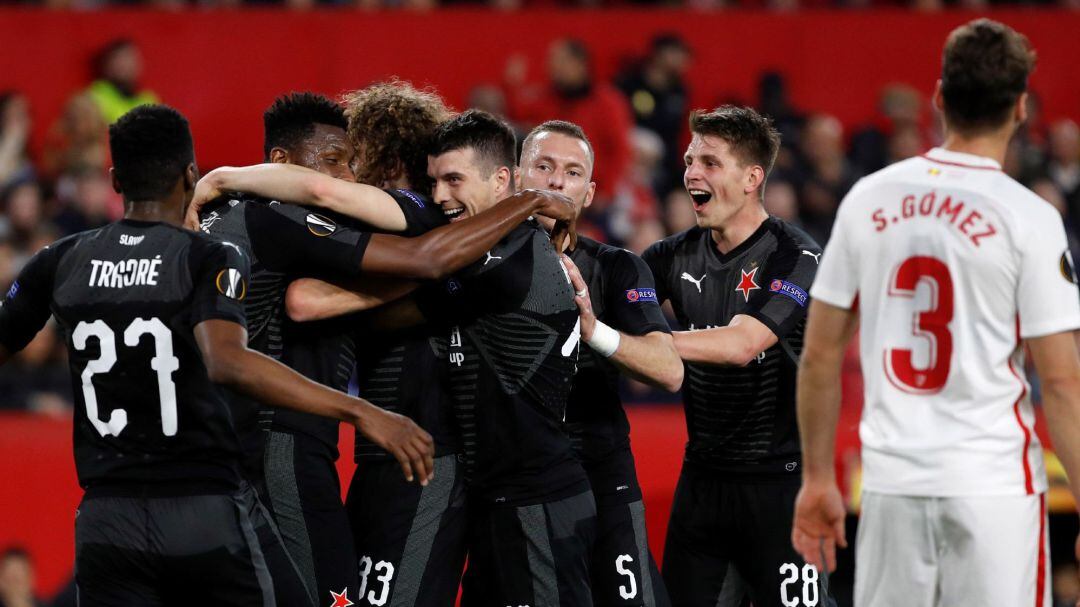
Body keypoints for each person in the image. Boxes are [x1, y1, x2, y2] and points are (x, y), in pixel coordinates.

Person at [0, 104, 433, 606]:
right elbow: (227, 362)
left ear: (115, 179)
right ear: (190, 174)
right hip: (201, 507)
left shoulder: (60, 258)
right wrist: (359, 409)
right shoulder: (209, 255)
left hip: (104, 515)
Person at [793, 18, 1080, 607]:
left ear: (939, 97)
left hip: (893, 483)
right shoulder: (1029, 217)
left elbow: (819, 353)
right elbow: (1061, 380)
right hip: (994, 485)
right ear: (1021, 108)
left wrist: (818, 477)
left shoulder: (868, 199)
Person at [641, 106, 826, 607]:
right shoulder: (668, 257)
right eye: (688, 160)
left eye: (710, 162)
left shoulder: (798, 255)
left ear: (752, 178)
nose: (691, 174)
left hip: (781, 487)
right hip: (700, 485)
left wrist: (650, 346)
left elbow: (744, 345)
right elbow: (616, 310)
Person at [520, 120, 682, 607]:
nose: (555, 182)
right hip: (516, 480)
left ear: (589, 193)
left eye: (571, 173)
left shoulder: (617, 267)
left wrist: (594, 331)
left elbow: (667, 369)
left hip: (600, 471)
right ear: (513, 176)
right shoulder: (474, 263)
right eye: (543, 167)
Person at [86, 39, 159, 124]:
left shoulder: (149, 100)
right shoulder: (94, 97)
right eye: (120, 59)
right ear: (107, 65)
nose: (126, 65)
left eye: (131, 59)